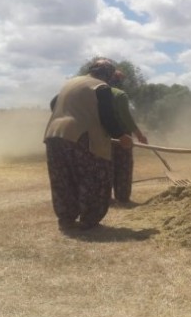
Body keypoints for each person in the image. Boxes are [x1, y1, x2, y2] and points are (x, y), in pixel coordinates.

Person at [43, 59, 133, 231]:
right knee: (95, 178)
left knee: (63, 179)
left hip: (54, 134)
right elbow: (107, 116)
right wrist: (121, 135)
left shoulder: (71, 83)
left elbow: (53, 104)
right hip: (81, 137)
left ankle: (66, 219)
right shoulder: (101, 88)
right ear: (107, 74)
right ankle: (89, 220)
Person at [109, 70, 148, 204]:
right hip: (122, 137)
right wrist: (140, 135)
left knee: (105, 165)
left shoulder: (94, 93)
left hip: (101, 137)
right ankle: (122, 197)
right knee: (123, 167)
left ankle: (104, 197)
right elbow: (126, 118)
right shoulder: (120, 95)